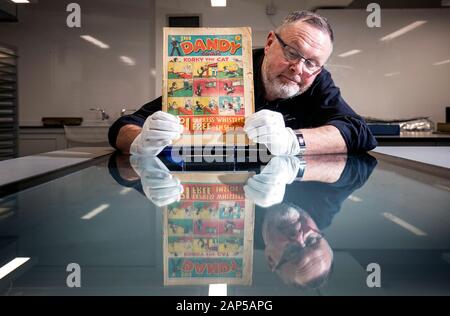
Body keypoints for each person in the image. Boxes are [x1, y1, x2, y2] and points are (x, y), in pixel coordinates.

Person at [109, 10, 377, 156]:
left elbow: (358, 131)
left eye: (312, 62)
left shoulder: (315, 79)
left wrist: (292, 141)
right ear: (271, 42)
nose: (299, 68)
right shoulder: (226, 67)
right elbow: (124, 127)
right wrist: (140, 141)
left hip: (286, 192)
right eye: (292, 53)